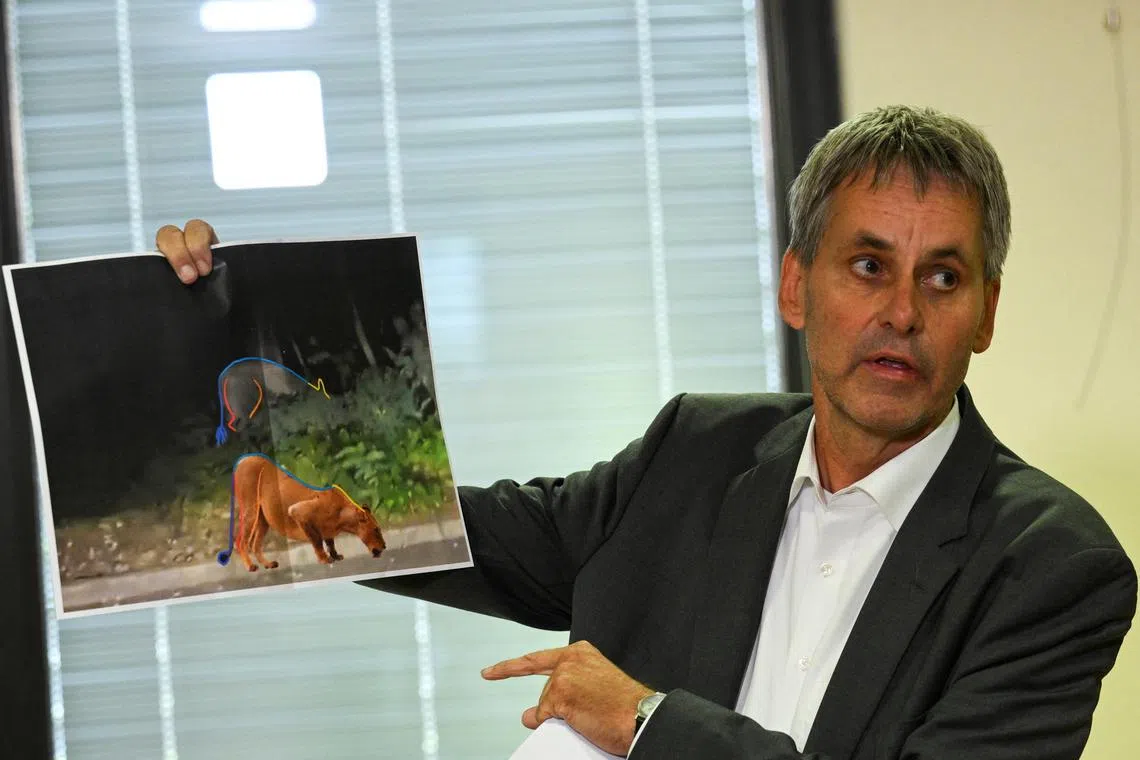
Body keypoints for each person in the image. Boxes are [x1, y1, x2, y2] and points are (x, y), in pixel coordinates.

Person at [156, 105, 1137, 759]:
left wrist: (644, 720)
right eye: (869, 266)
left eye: (944, 277)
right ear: (797, 285)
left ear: (987, 312)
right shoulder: (696, 453)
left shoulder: (1053, 567)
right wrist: (220, 327)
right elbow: (439, 527)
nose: (903, 313)